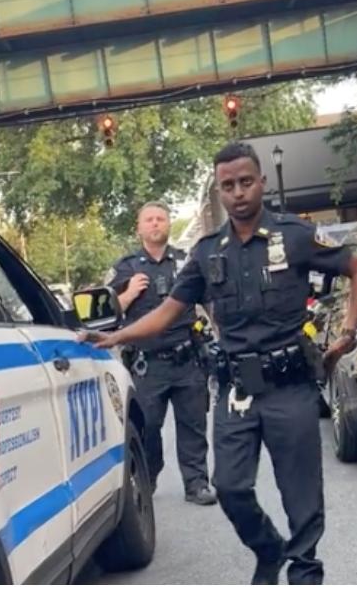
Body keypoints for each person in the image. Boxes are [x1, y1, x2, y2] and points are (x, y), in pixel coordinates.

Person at [82, 141, 357, 585]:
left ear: (260, 182)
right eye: (227, 186)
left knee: (301, 496)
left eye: (245, 182)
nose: (237, 192)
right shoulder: (206, 252)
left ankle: (305, 570)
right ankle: (268, 548)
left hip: (290, 384)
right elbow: (167, 312)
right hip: (237, 390)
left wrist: (347, 331)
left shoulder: (293, 235)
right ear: (220, 191)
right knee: (232, 487)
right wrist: (116, 335)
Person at [107, 201, 217, 506]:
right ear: (139, 227)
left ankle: (196, 483)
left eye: (161, 219)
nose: (155, 224)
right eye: (149, 220)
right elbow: (109, 311)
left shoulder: (185, 262)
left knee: (193, 424)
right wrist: (127, 294)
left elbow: (209, 300)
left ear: (169, 224)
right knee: (148, 427)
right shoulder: (125, 267)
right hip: (147, 365)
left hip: (187, 358)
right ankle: (148, 478)